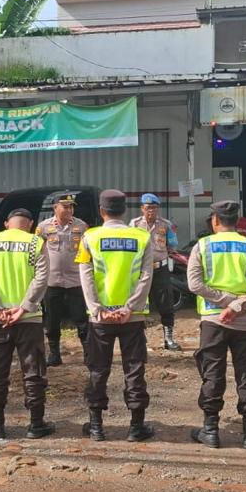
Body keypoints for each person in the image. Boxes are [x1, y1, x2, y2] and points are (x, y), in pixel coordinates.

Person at [186, 200, 246, 450]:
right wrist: (237, 305)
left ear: (215, 220)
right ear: (237, 221)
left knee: (212, 373)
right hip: (245, 322)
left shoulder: (202, 246)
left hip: (213, 321)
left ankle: (210, 430)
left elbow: (194, 284)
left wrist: (224, 301)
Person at [76, 189, 156, 442]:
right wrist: (130, 307)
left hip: (100, 318)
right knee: (134, 369)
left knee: (98, 369)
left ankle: (96, 426)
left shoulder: (90, 237)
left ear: (101, 211)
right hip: (132, 317)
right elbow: (146, 277)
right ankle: (136, 427)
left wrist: (97, 308)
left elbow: (86, 276)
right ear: (125, 211)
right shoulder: (142, 237)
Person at [0, 208, 54, 440]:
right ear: (30, 224)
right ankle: (36, 424)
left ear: (6, 223)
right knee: (33, 370)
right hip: (29, 319)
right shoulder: (36, 243)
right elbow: (42, 278)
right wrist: (23, 308)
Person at [35, 192, 89, 367]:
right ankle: (54, 354)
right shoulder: (43, 227)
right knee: (52, 320)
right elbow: (37, 252)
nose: (69, 210)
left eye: (71, 207)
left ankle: (88, 354)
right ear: (55, 208)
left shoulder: (82, 226)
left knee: (81, 319)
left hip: (76, 281)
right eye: (65, 207)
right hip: (52, 281)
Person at [130, 193, 182, 351]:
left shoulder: (165, 225)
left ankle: (168, 338)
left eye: (154, 207)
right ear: (142, 208)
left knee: (166, 303)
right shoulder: (134, 224)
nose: (151, 211)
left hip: (160, 268)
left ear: (158, 208)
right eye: (148, 208)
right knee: (137, 303)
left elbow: (173, 244)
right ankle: (138, 338)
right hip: (140, 270)